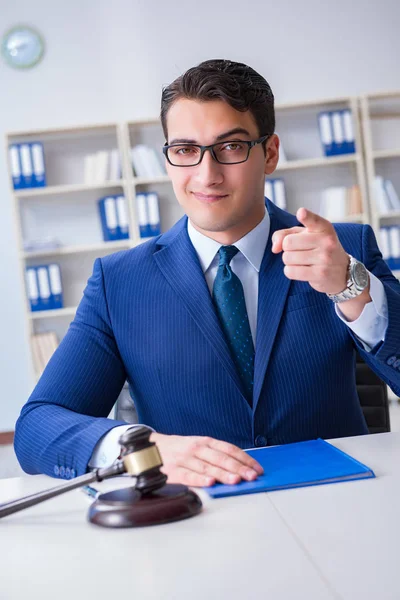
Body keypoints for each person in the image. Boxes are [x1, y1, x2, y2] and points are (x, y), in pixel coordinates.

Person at [14, 59, 400, 488]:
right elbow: (37, 428)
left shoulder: (342, 249)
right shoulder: (119, 282)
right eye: (184, 150)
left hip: (339, 503)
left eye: (231, 147)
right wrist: (141, 449)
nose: (206, 175)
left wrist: (352, 286)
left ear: (269, 153)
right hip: (197, 520)